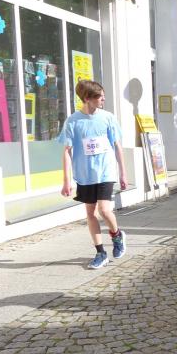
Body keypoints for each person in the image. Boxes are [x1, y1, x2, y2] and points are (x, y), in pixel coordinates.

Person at [58, 80, 127, 269]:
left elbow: (117, 146)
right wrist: (66, 181)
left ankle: (117, 236)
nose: (104, 99)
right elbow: (66, 151)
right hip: (85, 174)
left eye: (103, 95)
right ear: (87, 98)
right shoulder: (73, 121)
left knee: (104, 210)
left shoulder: (108, 118)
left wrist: (123, 173)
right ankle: (100, 253)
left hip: (106, 171)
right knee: (90, 213)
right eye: (100, 96)